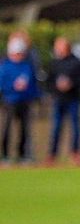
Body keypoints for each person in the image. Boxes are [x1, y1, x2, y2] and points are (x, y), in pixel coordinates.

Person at [45, 36, 80, 166]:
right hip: (58, 100)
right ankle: (52, 155)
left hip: (73, 99)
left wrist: (71, 84)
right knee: (56, 128)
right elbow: (49, 81)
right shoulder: (54, 63)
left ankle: (75, 153)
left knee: (75, 127)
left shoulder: (77, 63)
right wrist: (56, 88)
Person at [1, 33, 41, 166]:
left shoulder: (26, 66)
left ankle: (22, 154)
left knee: (24, 129)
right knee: (7, 128)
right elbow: (2, 84)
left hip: (25, 101)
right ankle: (5, 154)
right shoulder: (5, 66)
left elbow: (32, 83)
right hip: (10, 101)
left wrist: (36, 96)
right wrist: (13, 87)